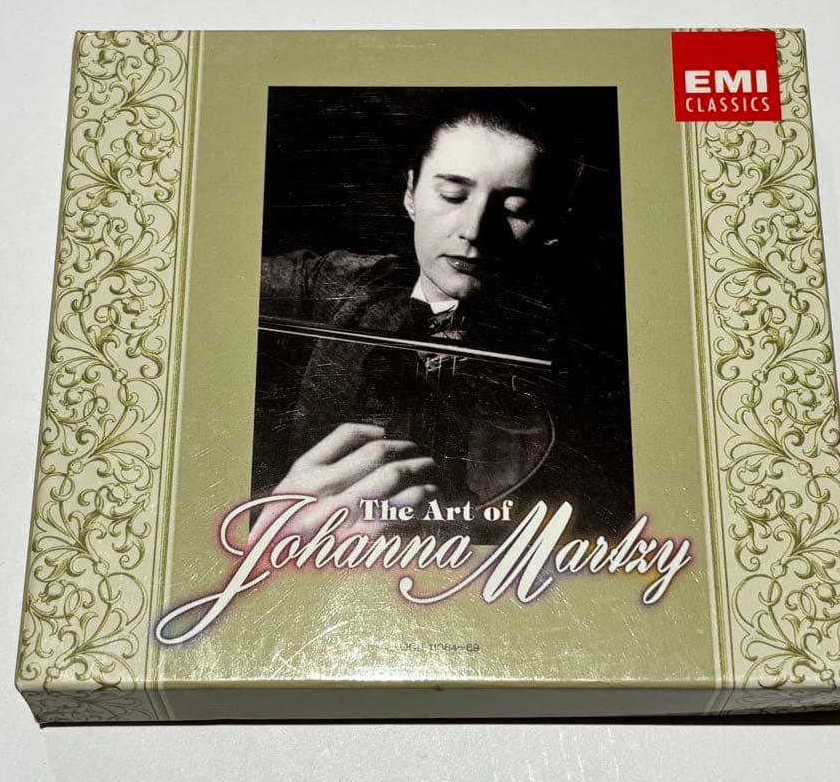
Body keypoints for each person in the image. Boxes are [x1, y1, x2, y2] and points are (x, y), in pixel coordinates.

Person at [249, 92, 631, 543]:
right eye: (452, 195)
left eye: (516, 210)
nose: (474, 230)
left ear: (551, 224)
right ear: (411, 192)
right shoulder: (339, 282)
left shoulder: (584, 361)